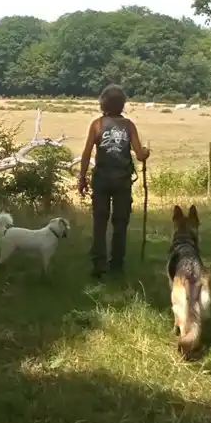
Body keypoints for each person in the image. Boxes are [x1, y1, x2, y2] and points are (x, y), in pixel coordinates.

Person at [77, 84, 150, 279]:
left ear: (103, 103)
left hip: (101, 180)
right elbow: (140, 155)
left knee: (99, 222)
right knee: (120, 222)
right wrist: (146, 152)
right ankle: (117, 264)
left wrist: (82, 178)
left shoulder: (97, 125)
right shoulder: (129, 125)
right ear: (122, 104)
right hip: (122, 181)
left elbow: (86, 154)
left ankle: (98, 264)